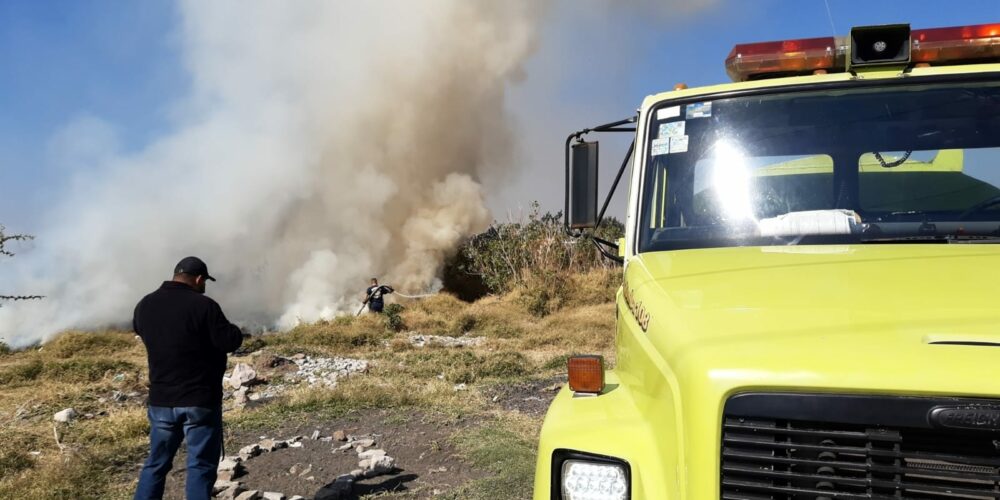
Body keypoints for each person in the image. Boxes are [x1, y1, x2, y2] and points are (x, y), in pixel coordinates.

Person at [133, 256, 243, 500]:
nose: (204, 287)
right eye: (204, 282)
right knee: (201, 466)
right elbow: (230, 341)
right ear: (198, 279)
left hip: (161, 401)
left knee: (156, 464)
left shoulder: (145, 304)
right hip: (198, 400)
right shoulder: (204, 306)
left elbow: (141, 330)